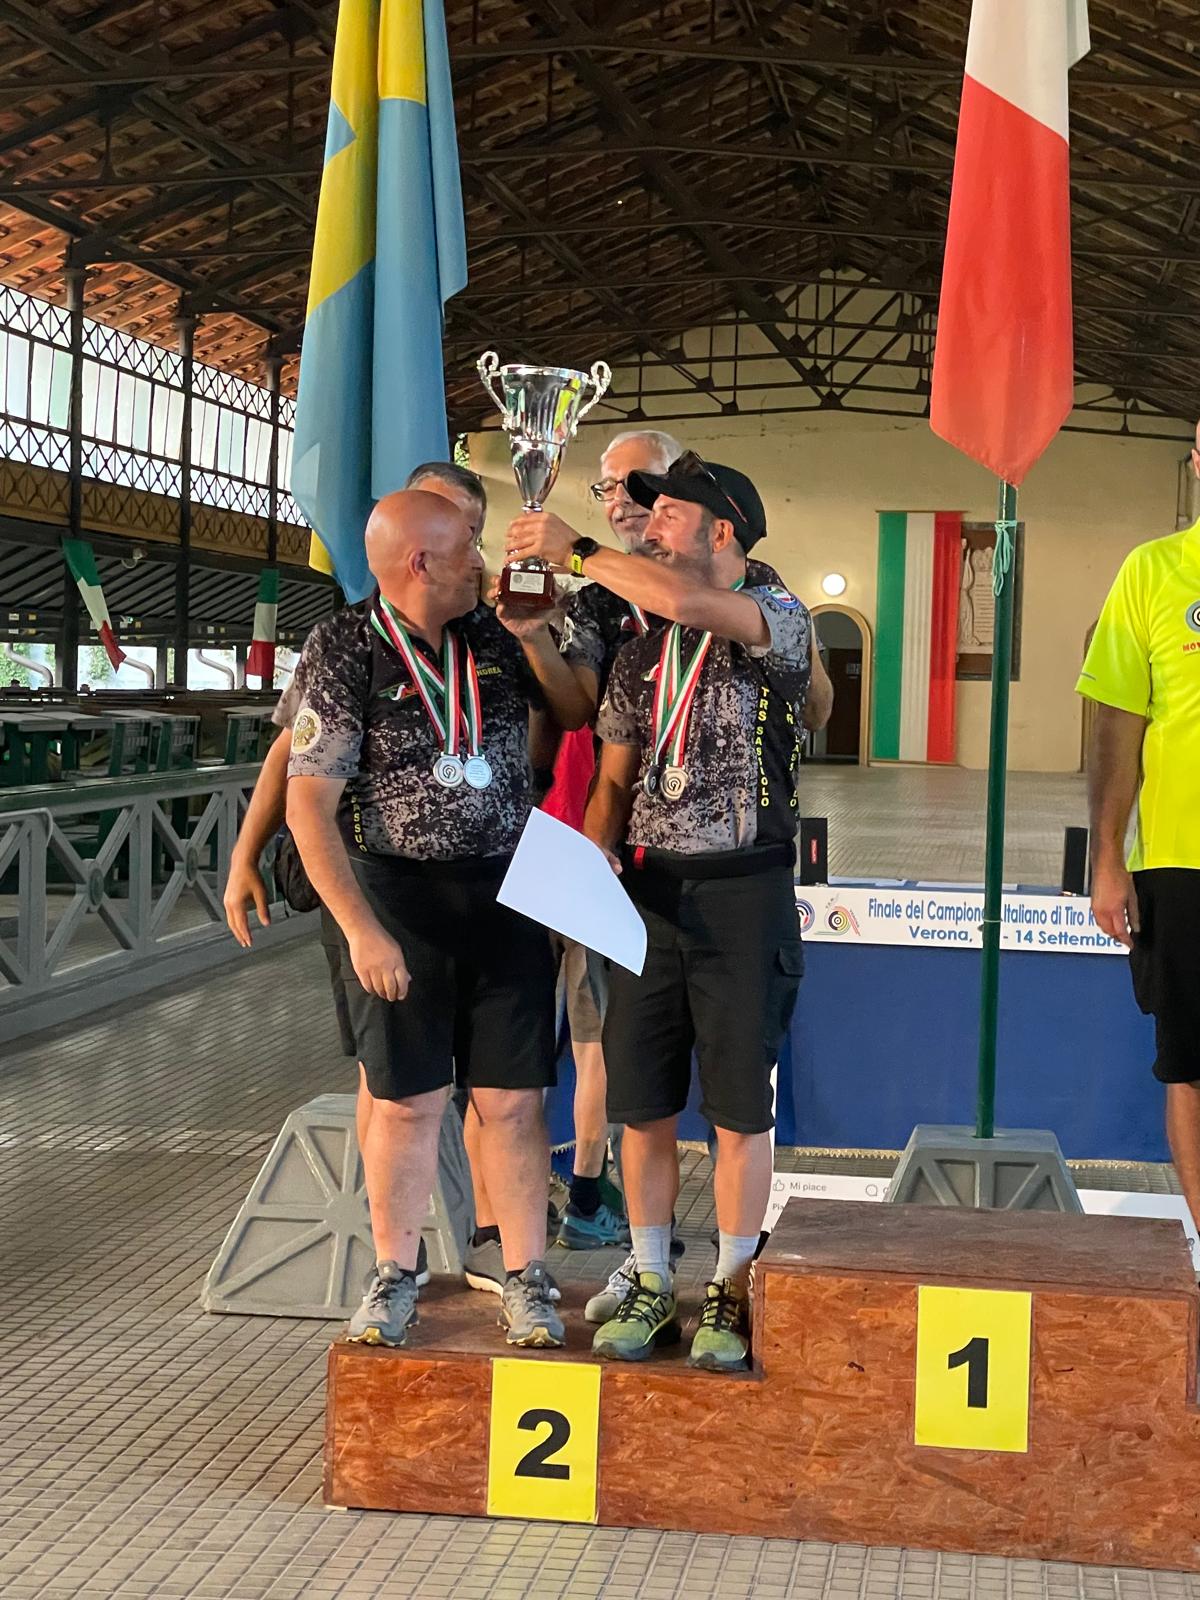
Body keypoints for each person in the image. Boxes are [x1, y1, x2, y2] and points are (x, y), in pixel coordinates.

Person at [223, 461, 576, 1301]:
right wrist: (361, 929)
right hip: (396, 901)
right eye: (466, 549)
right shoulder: (345, 646)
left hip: (505, 893)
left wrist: (537, 636)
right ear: (420, 561)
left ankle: (525, 1272)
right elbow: (308, 801)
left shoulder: (494, 632)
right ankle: (395, 1274)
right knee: (407, 1100)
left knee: (514, 1100)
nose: (482, 561)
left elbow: (570, 712)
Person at [510, 450, 829, 1372]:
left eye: (668, 514)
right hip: (647, 898)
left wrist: (576, 552)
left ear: (721, 531)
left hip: (744, 895)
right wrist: (595, 853)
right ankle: (651, 1275)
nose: (648, 525)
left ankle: (731, 1280)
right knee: (643, 1106)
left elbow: (692, 600)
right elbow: (613, 777)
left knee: (739, 1111)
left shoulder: (776, 615)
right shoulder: (642, 652)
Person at [1078, 425, 1200, 1236]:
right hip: (1182, 865)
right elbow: (1118, 726)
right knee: (1191, 1070)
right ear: (1197, 459)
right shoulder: (1153, 570)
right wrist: (1107, 860)